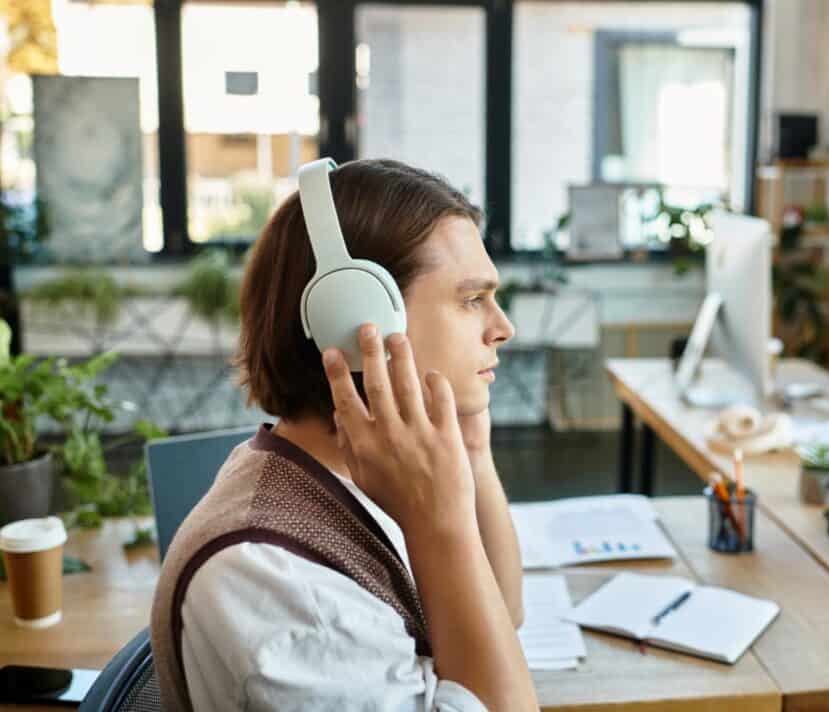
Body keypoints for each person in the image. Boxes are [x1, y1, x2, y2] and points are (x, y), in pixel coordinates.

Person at [150, 159, 538, 711]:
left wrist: (470, 451)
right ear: (356, 321)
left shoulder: (362, 473)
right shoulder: (281, 587)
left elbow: (500, 614)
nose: (502, 328)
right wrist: (441, 523)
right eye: (471, 299)